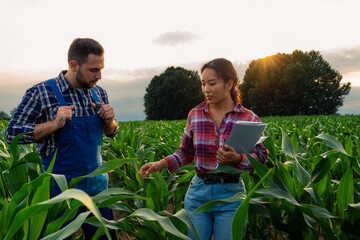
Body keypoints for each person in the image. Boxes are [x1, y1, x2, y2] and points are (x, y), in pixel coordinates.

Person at [139, 58, 268, 240]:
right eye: (203, 83)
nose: (206, 89)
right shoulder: (195, 114)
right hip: (198, 192)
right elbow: (186, 153)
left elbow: (261, 157)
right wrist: (159, 164)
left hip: (231, 195)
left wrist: (237, 159)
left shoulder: (248, 117)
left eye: (212, 83)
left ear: (229, 84)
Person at [6, 38, 118, 239]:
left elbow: (112, 132)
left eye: (101, 69)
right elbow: (12, 133)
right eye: (93, 70)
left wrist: (110, 121)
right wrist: (54, 124)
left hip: (97, 187)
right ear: (73, 66)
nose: (99, 76)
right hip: (58, 189)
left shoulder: (99, 93)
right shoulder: (41, 92)